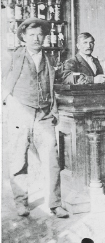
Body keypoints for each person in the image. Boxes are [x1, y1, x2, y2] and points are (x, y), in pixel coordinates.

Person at [3, 17, 69, 218]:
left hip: (43, 114)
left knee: (51, 160)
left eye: (40, 34)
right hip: (20, 113)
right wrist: (7, 103)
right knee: (18, 160)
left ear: (45, 37)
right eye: (31, 35)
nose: (36, 38)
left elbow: (52, 86)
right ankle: (21, 202)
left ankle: (55, 204)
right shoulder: (13, 57)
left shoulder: (49, 59)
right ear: (23, 36)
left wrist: (53, 110)